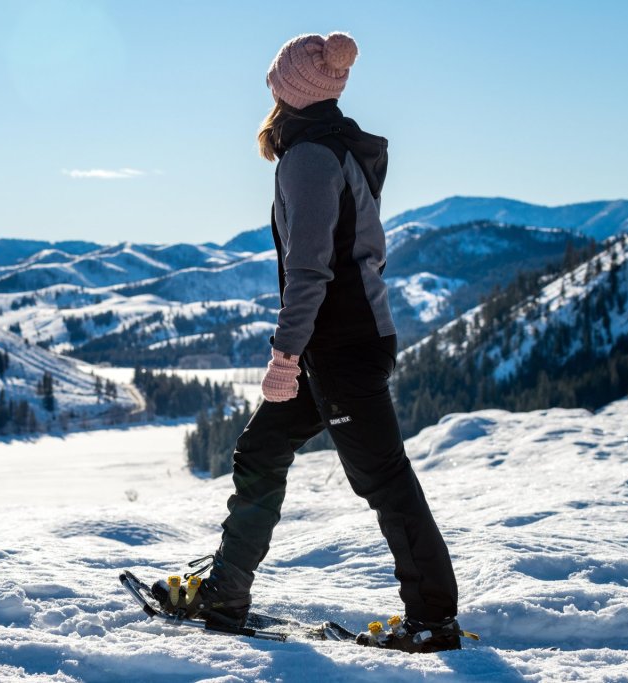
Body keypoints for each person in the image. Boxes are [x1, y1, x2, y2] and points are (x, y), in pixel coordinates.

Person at [152, 31, 462, 652]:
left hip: (340, 345)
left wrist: (284, 357)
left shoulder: (312, 158)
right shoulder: (330, 146)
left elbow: (312, 269)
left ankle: (432, 618)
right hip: (341, 341)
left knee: (382, 478)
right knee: (261, 448)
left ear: (287, 89)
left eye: (274, 78)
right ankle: (227, 591)